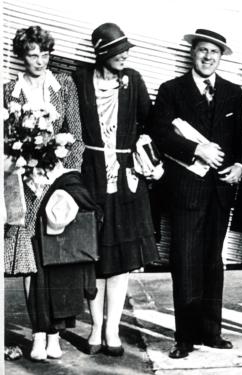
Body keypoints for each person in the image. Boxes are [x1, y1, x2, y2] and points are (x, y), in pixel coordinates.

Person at [148, 28, 242, 359]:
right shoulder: (171, 90)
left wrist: (239, 167)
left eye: (214, 52)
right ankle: (185, 337)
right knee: (186, 261)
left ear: (221, 57)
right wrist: (197, 149)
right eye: (203, 50)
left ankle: (211, 332)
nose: (208, 57)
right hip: (186, 191)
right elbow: (159, 134)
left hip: (220, 191)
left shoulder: (235, 94)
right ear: (193, 53)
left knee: (212, 261)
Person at [73, 23, 159, 356]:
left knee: (121, 260)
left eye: (125, 50)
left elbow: (148, 122)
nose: (124, 55)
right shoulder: (80, 82)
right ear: (101, 53)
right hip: (90, 176)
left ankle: (112, 331)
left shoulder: (134, 80)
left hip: (126, 179)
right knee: (96, 255)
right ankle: (95, 329)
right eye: (116, 50)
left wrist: (142, 147)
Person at [3, 25, 85, 360]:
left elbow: (76, 136)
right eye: (33, 54)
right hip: (24, 186)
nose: (39, 60)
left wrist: (63, 174)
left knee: (57, 261)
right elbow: (6, 142)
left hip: (58, 182)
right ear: (22, 56)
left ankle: (55, 334)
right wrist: (21, 165)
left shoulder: (63, 85)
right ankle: (38, 333)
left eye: (45, 54)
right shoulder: (9, 91)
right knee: (30, 262)